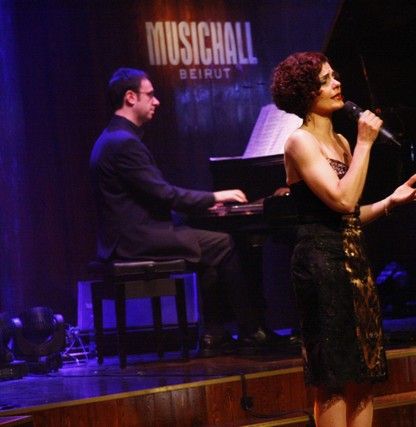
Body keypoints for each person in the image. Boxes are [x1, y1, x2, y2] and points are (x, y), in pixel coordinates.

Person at [270, 52, 416, 427]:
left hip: (353, 261)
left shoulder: (342, 141)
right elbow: (341, 201)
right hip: (321, 266)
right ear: (305, 93)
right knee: (333, 379)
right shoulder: (300, 142)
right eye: (326, 80)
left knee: (363, 375)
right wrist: (365, 144)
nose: (337, 84)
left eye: (334, 76)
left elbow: (352, 213)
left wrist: (390, 202)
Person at [89, 67, 282, 358]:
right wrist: (215, 196)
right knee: (223, 243)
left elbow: (153, 195)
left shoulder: (114, 137)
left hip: (131, 235)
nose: (156, 102)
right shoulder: (124, 143)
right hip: (136, 240)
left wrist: (203, 204)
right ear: (130, 97)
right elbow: (164, 194)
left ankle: (215, 333)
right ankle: (252, 329)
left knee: (209, 245)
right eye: (150, 95)